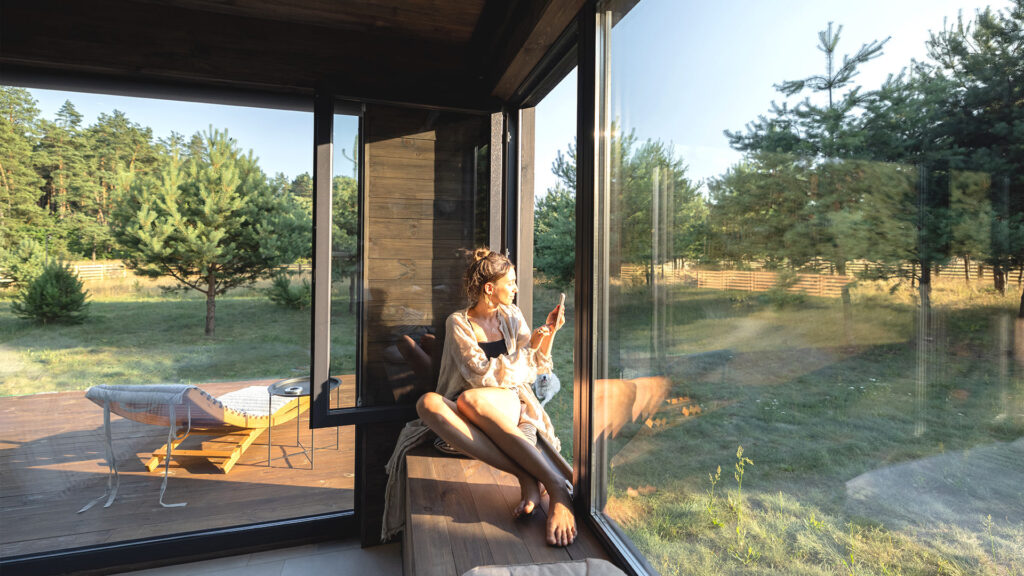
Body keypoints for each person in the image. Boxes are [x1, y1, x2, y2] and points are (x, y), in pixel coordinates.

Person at [381, 248, 575, 547]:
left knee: (471, 400)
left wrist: (549, 334)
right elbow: (479, 375)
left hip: (506, 400)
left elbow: (534, 367)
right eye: (510, 282)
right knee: (428, 404)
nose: (515, 288)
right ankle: (526, 475)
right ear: (490, 288)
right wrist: (527, 350)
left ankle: (556, 484)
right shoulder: (458, 322)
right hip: (469, 404)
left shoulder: (512, 315)